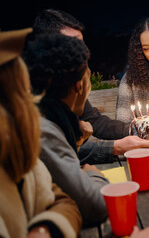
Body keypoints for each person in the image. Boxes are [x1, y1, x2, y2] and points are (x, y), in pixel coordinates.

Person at [23, 33, 149, 237]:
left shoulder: (50, 120)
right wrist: (92, 174)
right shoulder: (44, 131)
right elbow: (96, 204)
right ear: (79, 85)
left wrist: (115, 145)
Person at [32, 9, 149, 164]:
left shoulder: (72, 81)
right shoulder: (32, 96)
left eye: (81, 43)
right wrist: (115, 147)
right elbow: (55, 152)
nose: (81, 52)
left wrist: (137, 129)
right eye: (72, 44)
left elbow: (93, 121)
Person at [0, 29, 82, 238]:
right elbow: (87, 202)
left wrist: (43, 230)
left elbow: (63, 202)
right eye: (25, 90)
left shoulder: (21, 153)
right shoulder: (42, 131)